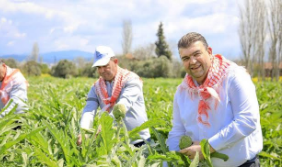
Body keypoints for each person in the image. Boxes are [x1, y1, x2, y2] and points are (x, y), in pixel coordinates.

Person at [166, 32, 262, 167]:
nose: (192, 61)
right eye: (186, 58)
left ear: (209, 52)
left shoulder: (234, 77)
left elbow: (247, 121)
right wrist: (169, 162)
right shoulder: (182, 91)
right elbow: (177, 131)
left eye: (196, 54)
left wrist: (208, 147)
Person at [77, 46, 151, 147]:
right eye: (99, 67)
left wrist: (105, 125)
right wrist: (84, 131)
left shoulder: (131, 80)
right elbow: (89, 110)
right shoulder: (96, 88)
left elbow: (123, 105)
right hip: (115, 145)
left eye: (105, 66)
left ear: (115, 62)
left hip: (139, 141)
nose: (102, 70)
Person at [0, 57, 28, 122]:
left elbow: (15, 102)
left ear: (3, 66)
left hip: (17, 117)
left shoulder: (16, 78)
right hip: (0, 119)